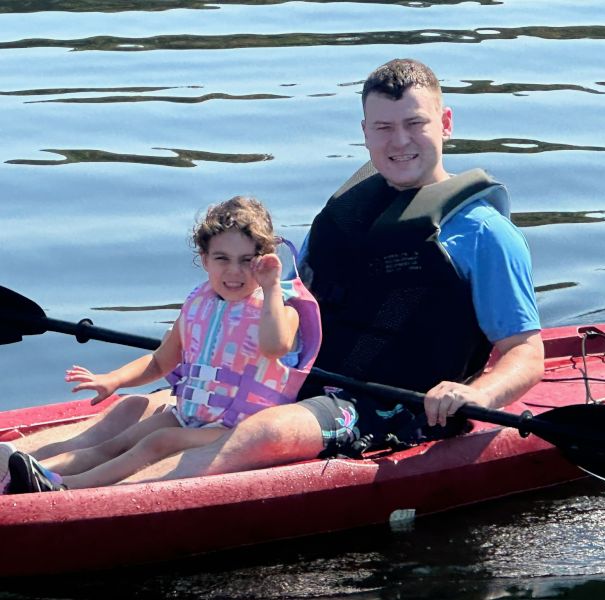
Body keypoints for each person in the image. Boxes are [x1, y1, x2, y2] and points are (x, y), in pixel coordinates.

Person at [3, 57, 544, 487]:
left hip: (393, 406)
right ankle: (15, 462)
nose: (399, 141)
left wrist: (479, 396)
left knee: (265, 430)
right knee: (143, 407)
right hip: (292, 381)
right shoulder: (345, 217)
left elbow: (525, 352)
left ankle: (71, 503)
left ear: (444, 123)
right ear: (365, 131)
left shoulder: (484, 234)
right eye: (383, 127)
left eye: (414, 124)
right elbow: (279, 306)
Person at [2, 196, 321, 493]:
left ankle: (65, 487)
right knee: (119, 441)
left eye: (247, 261)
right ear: (204, 259)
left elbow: (275, 347)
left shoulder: (281, 310)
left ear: (264, 262)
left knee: (159, 440)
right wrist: (113, 380)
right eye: (222, 258)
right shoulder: (199, 306)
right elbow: (159, 363)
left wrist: (271, 287)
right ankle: (29, 473)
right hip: (189, 414)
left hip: (237, 428)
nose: (234, 271)